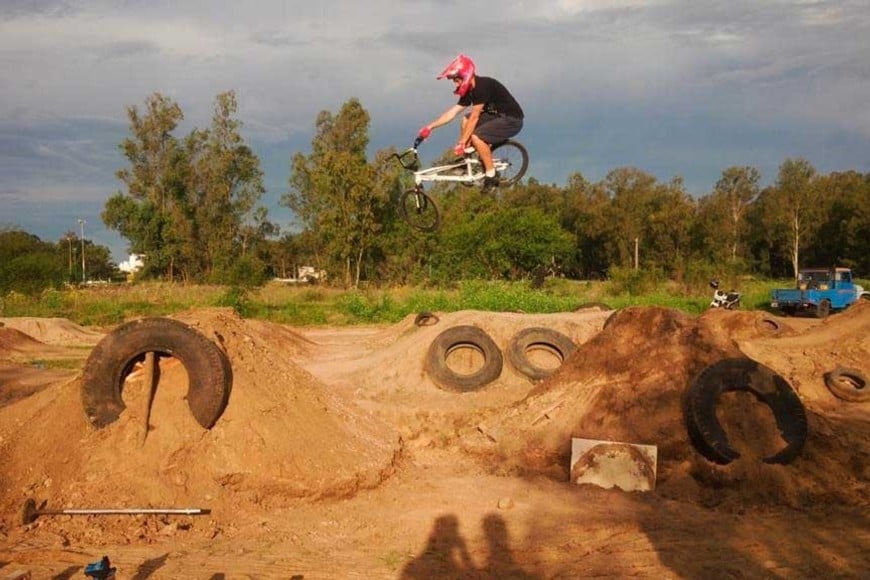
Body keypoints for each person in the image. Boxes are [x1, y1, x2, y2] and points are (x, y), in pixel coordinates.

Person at [417, 54, 524, 191]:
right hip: (496, 116)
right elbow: (453, 112)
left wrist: (462, 142)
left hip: (511, 119)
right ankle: (466, 158)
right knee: (464, 119)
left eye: (456, 80)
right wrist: (430, 127)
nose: (455, 84)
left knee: (476, 136)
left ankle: (491, 175)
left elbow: (475, 117)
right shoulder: (469, 91)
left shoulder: (481, 87)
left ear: (466, 75)